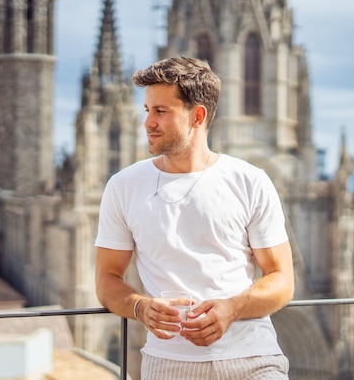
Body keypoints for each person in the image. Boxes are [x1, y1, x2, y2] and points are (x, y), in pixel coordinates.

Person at [95, 56, 294, 379]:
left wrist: (232, 309)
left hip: (254, 359)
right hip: (169, 366)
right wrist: (141, 307)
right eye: (147, 111)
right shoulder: (123, 186)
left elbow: (283, 281)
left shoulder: (250, 180)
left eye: (161, 111)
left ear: (197, 116)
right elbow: (106, 280)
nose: (148, 123)